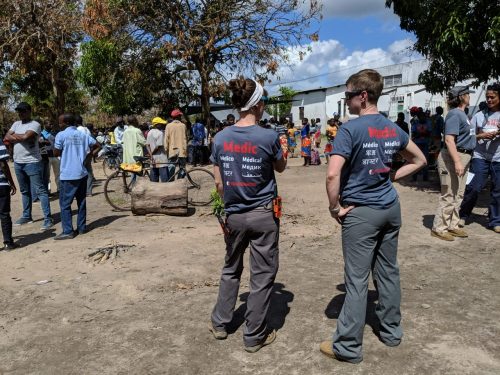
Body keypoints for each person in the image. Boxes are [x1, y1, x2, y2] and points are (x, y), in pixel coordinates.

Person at [321, 69, 426, 364]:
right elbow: (420, 159)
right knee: (388, 271)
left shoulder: (349, 130)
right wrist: (391, 176)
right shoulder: (392, 128)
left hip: (361, 213)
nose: (346, 100)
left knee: (356, 280)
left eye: (349, 95)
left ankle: (348, 347)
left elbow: (332, 174)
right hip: (390, 208)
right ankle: (392, 332)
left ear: (363, 96)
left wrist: (334, 209)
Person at [209, 76, 286, 353]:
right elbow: (281, 168)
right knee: (262, 275)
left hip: (234, 216)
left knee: (231, 268)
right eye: (263, 102)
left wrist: (228, 206)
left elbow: (219, 184)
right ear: (257, 105)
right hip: (264, 215)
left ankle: (220, 323)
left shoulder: (220, 138)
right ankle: (253, 336)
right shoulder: (269, 137)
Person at [431, 86, 476, 241]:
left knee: (459, 193)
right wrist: (457, 161)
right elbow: (449, 140)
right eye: (468, 94)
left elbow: (465, 137)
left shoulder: (464, 114)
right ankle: (439, 228)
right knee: (449, 193)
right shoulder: (455, 114)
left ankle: (453, 225)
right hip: (452, 157)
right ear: (462, 96)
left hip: (463, 156)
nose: (469, 97)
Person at [4, 102, 53, 230]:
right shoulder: (16, 124)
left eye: (23, 111)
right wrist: (18, 137)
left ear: (29, 111)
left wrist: (14, 136)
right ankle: (27, 215)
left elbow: (26, 137)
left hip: (32, 161)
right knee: (24, 191)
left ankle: (48, 218)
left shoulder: (35, 124)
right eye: (19, 111)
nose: (21, 113)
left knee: (40, 190)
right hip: (18, 162)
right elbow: (6, 137)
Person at [459, 83, 500, 233]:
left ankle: (495, 220)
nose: (489, 100)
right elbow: (469, 137)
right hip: (479, 157)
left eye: (492, 97)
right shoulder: (479, 115)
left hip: (498, 159)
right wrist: (481, 135)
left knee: (498, 190)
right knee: (473, 187)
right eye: (487, 97)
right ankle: (463, 214)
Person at [53, 113, 98, 240]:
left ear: (66, 123)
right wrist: (87, 158)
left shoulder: (61, 135)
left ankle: (68, 231)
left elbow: (56, 152)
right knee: (81, 202)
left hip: (68, 174)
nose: (59, 124)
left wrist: (64, 151)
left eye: (60, 122)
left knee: (65, 204)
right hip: (82, 173)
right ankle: (82, 227)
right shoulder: (83, 135)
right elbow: (97, 145)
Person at [0, 139, 19, 250]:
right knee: (4, 214)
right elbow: (3, 164)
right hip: (1, 185)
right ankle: (8, 243)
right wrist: (11, 183)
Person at [164, 109, 188, 179]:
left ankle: (171, 182)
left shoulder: (168, 126)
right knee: (182, 168)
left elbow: (166, 139)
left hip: (172, 150)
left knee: (171, 166)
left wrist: (166, 149)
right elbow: (185, 138)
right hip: (182, 150)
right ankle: (180, 181)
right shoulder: (183, 126)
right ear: (179, 116)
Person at [411, 109, 432, 181]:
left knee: (425, 160)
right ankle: (414, 177)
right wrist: (423, 133)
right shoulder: (415, 123)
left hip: (425, 144)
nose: (422, 118)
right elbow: (414, 133)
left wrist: (419, 134)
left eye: (423, 116)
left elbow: (429, 133)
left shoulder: (428, 123)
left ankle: (425, 177)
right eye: (421, 116)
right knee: (415, 160)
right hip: (417, 144)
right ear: (419, 117)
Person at [146, 117, 170, 182]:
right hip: (161, 159)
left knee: (153, 180)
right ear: (157, 125)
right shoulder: (160, 133)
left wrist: (151, 155)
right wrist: (152, 154)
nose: (163, 125)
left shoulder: (149, 132)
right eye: (161, 124)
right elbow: (158, 146)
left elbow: (147, 145)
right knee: (165, 180)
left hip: (153, 159)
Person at [76, 115, 95, 196]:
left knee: (79, 173)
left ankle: (80, 192)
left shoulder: (77, 130)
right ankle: (89, 191)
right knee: (89, 173)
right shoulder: (87, 129)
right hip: (88, 153)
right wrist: (91, 153)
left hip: (81, 155)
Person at [42, 120, 60, 195]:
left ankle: (59, 189)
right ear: (45, 124)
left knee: (58, 173)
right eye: (50, 124)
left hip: (55, 156)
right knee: (47, 174)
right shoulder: (41, 134)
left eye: (52, 124)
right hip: (47, 157)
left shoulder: (54, 133)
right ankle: (48, 190)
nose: (51, 126)